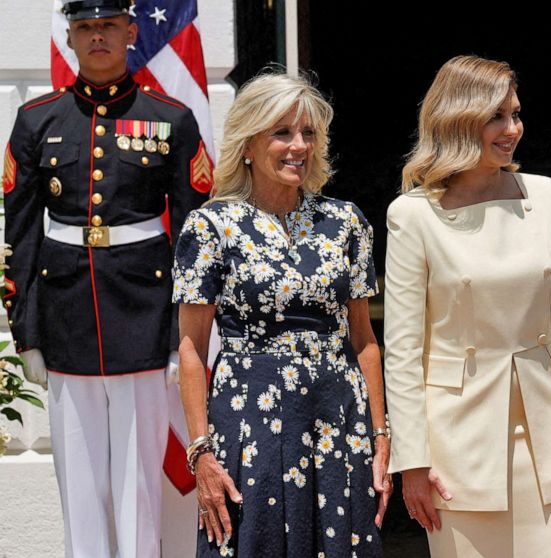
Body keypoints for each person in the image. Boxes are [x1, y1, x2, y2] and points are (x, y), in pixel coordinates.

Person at [1, 1, 211, 555]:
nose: (97, 37)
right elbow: (18, 235)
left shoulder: (170, 118)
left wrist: (180, 336)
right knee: (78, 478)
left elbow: (195, 237)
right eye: (85, 27)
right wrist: (26, 330)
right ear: (68, 37)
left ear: (131, 32)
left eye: (109, 26)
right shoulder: (37, 119)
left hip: (145, 317)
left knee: (138, 483)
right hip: (66, 317)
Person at [384, 55, 551, 557]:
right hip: (454, 450)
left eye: (516, 114)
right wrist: (412, 460)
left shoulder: (549, 198)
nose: (513, 129)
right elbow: (401, 349)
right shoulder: (412, 215)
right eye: (496, 117)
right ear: (459, 120)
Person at [171, 71, 390, 557]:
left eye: (308, 134)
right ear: (248, 143)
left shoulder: (346, 222)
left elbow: (364, 340)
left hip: (338, 421)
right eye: (282, 133)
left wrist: (381, 436)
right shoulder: (211, 227)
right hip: (251, 424)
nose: (298, 146)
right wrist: (201, 451)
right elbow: (191, 347)